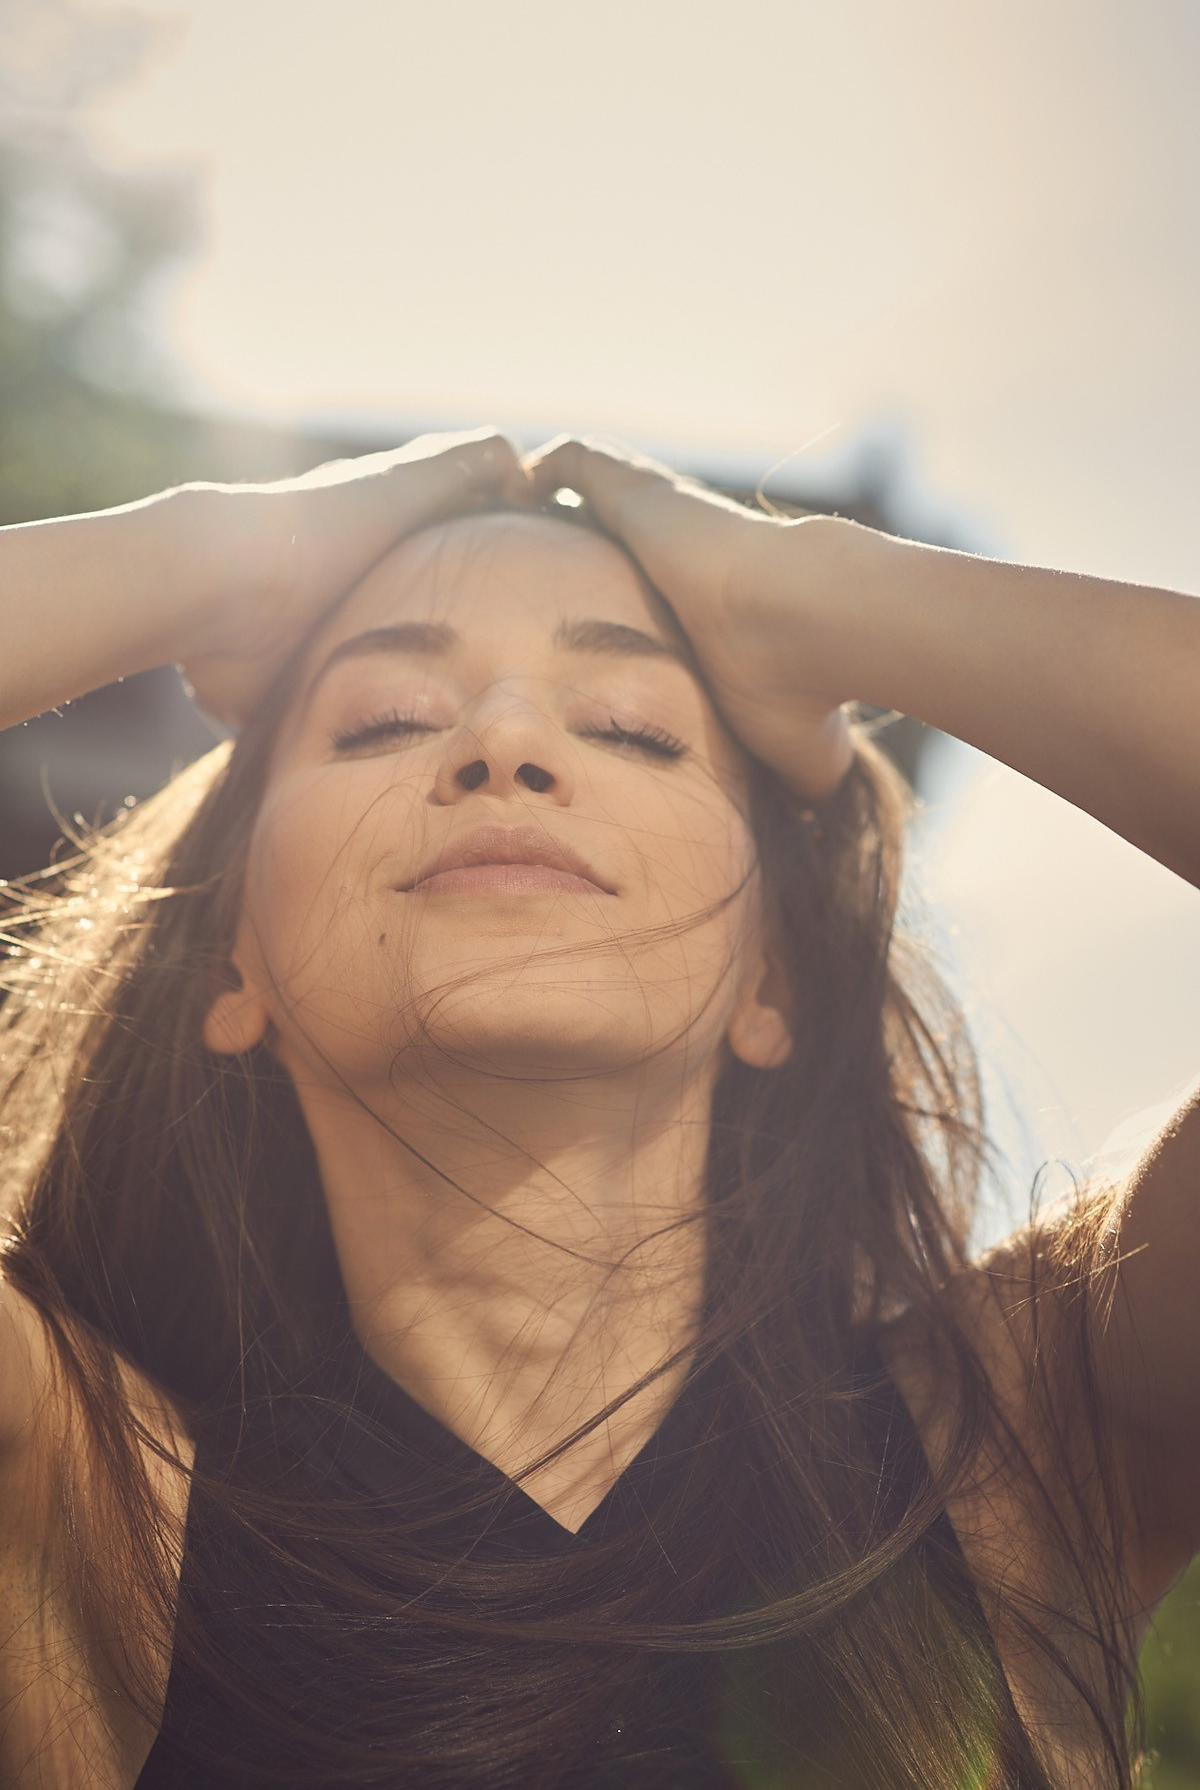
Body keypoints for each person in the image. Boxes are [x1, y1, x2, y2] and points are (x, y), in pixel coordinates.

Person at [0, 427, 1195, 1789]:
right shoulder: (75, 1496)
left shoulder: (1018, 1445)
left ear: (772, 974)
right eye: (386, 716)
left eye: (632, 727)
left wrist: (815, 592)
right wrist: (213, 557)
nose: (504, 740)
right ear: (233, 964)